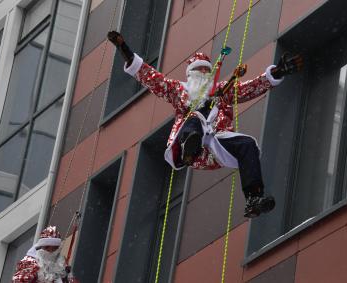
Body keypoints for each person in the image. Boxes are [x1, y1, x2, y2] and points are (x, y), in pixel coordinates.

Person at [107, 31, 302, 217]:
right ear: (190, 73)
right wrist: (124, 49)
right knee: (196, 116)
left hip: (216, 142)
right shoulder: (179, 90)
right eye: (198, 69)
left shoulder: (221, 90)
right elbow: (151, 78)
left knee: (248, 144)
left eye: (206, 70)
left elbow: (248, 89)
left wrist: (276, 73)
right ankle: (189, 146)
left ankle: (254, 197)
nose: (203, 71)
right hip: (194, 149)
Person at [12, 226, 76, 283]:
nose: (54, 252)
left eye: (56, 248)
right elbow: (18, 280)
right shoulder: (30, 262)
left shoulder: (60, 262)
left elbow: (69, 278)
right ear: (44, 247)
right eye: (51, 248)